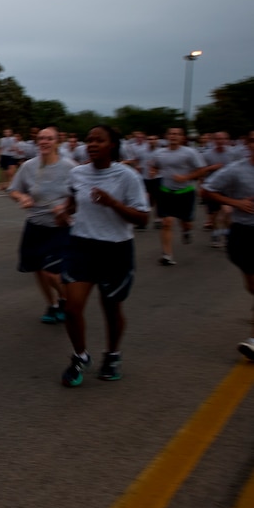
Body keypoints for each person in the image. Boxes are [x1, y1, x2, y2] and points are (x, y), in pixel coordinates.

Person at [56, 125, 149, 387]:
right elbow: (73, 203)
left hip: (115, 248)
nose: (92, 144)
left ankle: (113, 354)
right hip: (81, 245)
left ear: (112, 146)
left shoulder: (127, 176)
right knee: (72, 308)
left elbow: (143, 218)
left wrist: (113, 204)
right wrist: (64, 214)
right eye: (89, 140)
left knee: (110, 308)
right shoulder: (77, 174)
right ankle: (80, 356)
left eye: (99, 140)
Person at [7, 126, 76, 324]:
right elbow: (13, 190)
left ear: (57, 142)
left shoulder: (69, 167)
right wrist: (22, 197)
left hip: (60, 227)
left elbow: (79, 195)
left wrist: (64, 207)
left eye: (49, 138)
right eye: (41, 138)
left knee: (51, 272)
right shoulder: (28, 166)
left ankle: (67, 300)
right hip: (35, 225)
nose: (44, 142)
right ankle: (52, 305)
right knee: (38, 269)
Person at [202, 130, 254, 360]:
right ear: (247, 144)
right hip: (243, 232)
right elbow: (207, 190)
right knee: (251, 285)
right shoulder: (236, 169)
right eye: (253, 140)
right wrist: (235, 203)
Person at [150, 127, 208, 266]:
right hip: (166, 191)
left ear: (182, 137)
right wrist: (153, 171)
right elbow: (155, 166)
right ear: (166, 136)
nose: (173, 136)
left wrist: (186, 177)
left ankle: (186, 231)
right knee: (166, 222)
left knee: (186, 222)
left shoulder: (190, 152)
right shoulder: (159, 153)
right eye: (171, 134)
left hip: (185, 192)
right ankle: (167, 255)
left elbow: (202, 170)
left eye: (177, 134)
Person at [201, 131, 239, 247]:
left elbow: (239, 169)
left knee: (227, 212)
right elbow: (201, 170)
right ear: (213, 141)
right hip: (212, 187)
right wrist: (211, 168)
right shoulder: (207, 154)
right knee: (214, 215)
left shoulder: (233, 154)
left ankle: (228, 237)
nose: (220, 141)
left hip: (228, 188)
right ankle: (216, 235)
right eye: (217, 139)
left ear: (227, 140)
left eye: (223, 139)